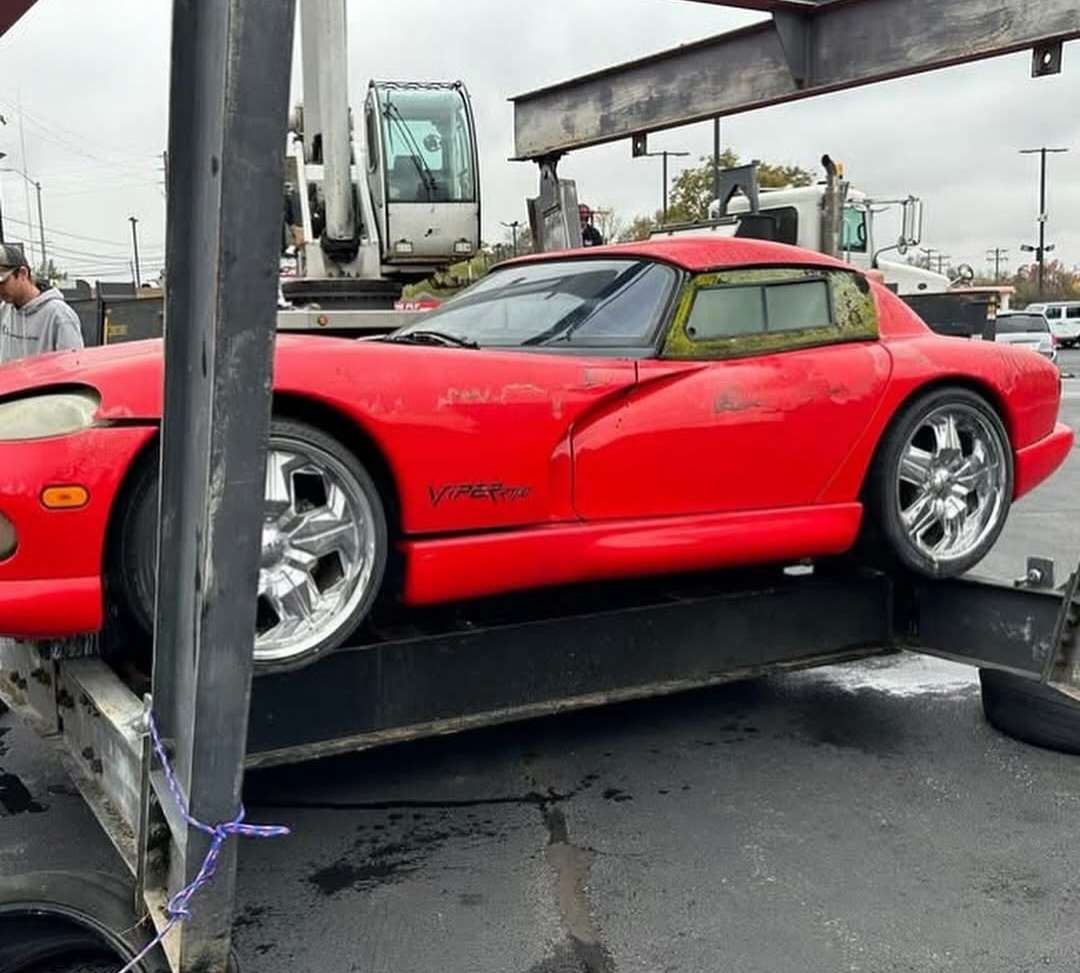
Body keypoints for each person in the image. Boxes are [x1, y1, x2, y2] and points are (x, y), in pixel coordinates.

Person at [0, 243, 84, 363]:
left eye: (2, 282)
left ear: (23, 273)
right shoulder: (5, 310)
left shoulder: (59, 315)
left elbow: (73, 365)